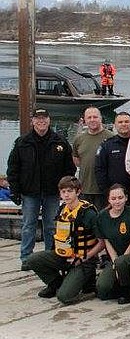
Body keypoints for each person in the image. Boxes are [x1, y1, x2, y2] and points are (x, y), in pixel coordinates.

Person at [7, 108, 76, 265]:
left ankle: (50, 256)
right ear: (33, 121)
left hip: (52, 193)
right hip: (29, 192)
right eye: (38, 119)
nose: (41, 122)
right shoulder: (22, 142)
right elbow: (13, 168)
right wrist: (14, 190)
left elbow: (69, 169)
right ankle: (26, 258)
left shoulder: (61, 142)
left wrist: (65, 190)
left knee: (51, 226)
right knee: (28, 225)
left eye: (44, 118)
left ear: (49, 120)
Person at [26, 176, 100, 304]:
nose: (66, 195)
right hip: (63, 256)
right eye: (63, 191)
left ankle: (86, 281)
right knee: (33, 259)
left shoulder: (88, 213)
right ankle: (56, 283)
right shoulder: (62, 210)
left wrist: (83, 258)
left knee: (64, 297)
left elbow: (102, 242)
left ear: (78, 192)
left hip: (82, 260)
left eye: (70, 191)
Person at [94, 184, 130, 303]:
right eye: (113, 198)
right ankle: (119, 286)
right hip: (115, 257)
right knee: (102, 290)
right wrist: (115, 261)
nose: (117, 201)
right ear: (108, 199)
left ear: (126, 198)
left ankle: (129, 292)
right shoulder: (102, 216)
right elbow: (106, 240)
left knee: (122, 263)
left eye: (120, 197)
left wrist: (120, 262)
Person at [72, 106, 113, 210]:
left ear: (101, 118)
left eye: (95, 117)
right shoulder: (79, 139)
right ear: (85, 120)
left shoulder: (111, 137)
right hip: (84, 189)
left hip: (104, 191)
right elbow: (77, 161)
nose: (92, 120)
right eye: (89, 117)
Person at [95, 111, 130, 198]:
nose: (123, 124)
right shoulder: (107, 145)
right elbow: (100, 170)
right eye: (120, 122)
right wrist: (106, 192)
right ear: (115, 125)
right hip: (115, 195)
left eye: (126, 122)